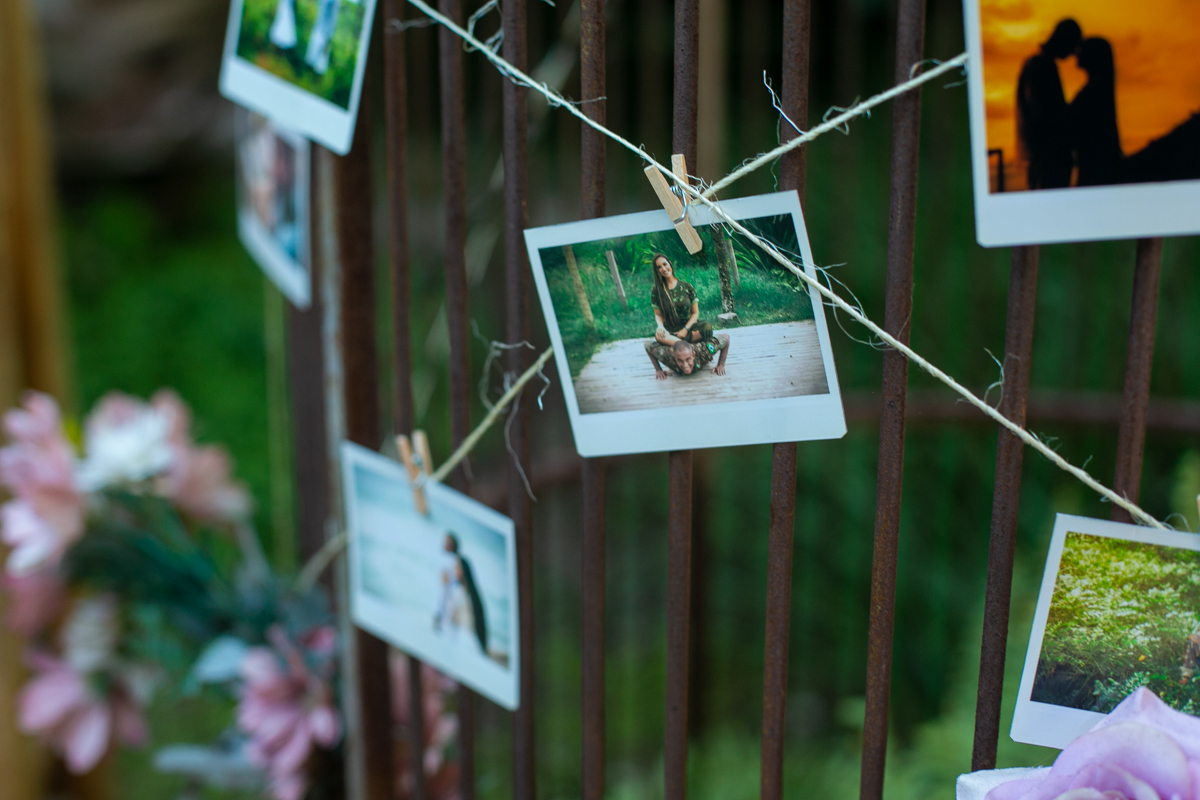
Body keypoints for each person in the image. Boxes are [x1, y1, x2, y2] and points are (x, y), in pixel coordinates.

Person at [1016, 19, 1082, 189]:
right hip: (1047, 159)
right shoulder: (1041, 66)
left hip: (1044, 158)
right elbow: (1045, 114)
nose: (1072, 53)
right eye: (1072, 46)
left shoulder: (1038, 64)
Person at [1070, 37, 1124, 187]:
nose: (1076, 52)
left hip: (1092, 167)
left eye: (1083, 49)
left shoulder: (1092, 93)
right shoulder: (1098, 91)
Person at [435, 533, 488, 654]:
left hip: (462, 643)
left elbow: (448, 619)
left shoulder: (459, 593)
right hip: (470, 642)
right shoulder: (469, 594)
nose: (454, 569)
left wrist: (445, 588)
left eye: (456, 567)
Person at [650, 253, 712, 345]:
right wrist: (660, 327)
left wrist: (685, 330)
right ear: (657, 270)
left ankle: (680, 344)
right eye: (659, 267)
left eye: (665, 264)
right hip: (670, 332)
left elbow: (695, 313)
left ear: (670, 263)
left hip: (689, 329)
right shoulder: (656, 291)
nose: (663, 269)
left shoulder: (687, 287)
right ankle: (684, 345)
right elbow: (658, 314)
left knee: (706, 326)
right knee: (658, 336)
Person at [645, 334, 730, 379]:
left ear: (693, 355)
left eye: (688, 359)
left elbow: (726, 337)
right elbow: (647, 344)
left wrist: (721, 364)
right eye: (680, 361)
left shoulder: (704, 351)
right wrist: (658, 369)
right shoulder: (666, 355)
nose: (685, 365)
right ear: (674, 358)